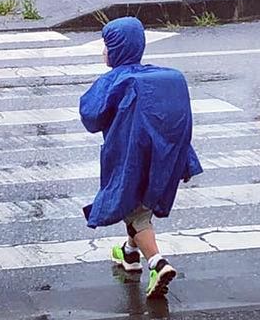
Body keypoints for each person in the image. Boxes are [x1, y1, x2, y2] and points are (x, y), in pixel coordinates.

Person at [79, 16, 203, 300]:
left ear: (118, 49)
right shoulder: (164, 77)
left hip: (130, 158)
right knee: (137, 206)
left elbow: (91, 116)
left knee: (133, 209)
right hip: (165, 157)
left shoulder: (115, 81)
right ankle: (129, 253)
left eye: (106, 46)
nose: (103, 52)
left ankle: (157, 263)